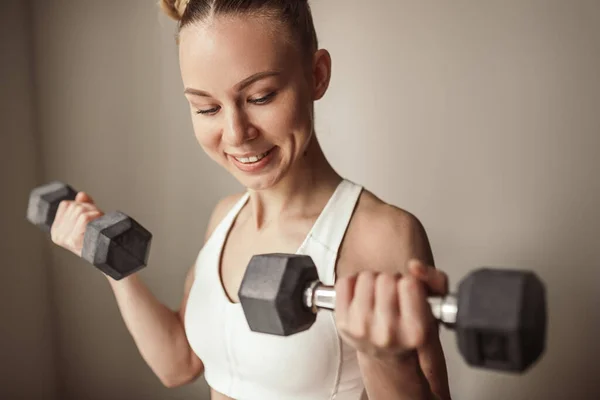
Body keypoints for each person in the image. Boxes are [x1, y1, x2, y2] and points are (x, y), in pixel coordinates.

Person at [50, 0, 452, 399]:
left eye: (260, 97)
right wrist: (109, 263)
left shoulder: (383, 235)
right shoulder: (225, 217)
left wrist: (387, 360)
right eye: (206, 108)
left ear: (317, 75)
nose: (236, 133)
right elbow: (179, 364)